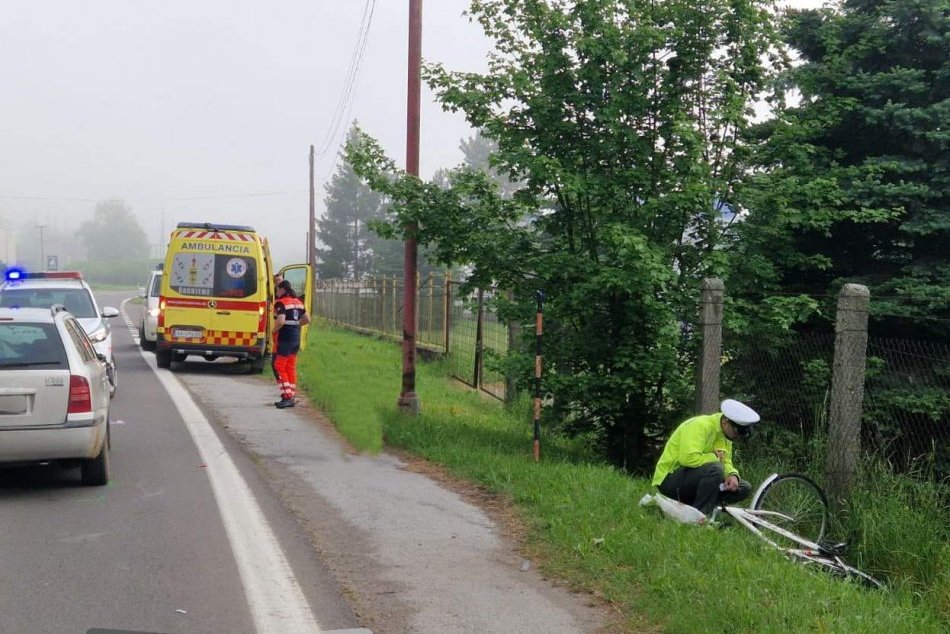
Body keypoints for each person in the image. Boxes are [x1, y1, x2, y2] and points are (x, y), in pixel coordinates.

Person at [651, 399, 760, 516]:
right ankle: (698, 518)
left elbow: (726, 461)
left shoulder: (726, 436)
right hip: (669, 479)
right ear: (725, 422)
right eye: (736, 432)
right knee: (716, 469)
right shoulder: (699, 425)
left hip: (693, 480)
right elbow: (687, 459)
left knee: (744, 487)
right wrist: (714, 457)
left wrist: (732, 475)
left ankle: (696, 507)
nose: (737, 436)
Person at [272, 279, 310, 409]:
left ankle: (287, 396)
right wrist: (295, 325)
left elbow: (281, 321)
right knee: (290, 367)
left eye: (277, 289)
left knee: (278, 366)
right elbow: (307, 319)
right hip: (295, 339)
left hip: (284, 339)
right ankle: (291, 393)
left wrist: (273, 331)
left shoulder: (281, 303)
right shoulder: (298, 302)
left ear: (282, 289)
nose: (276, 292)